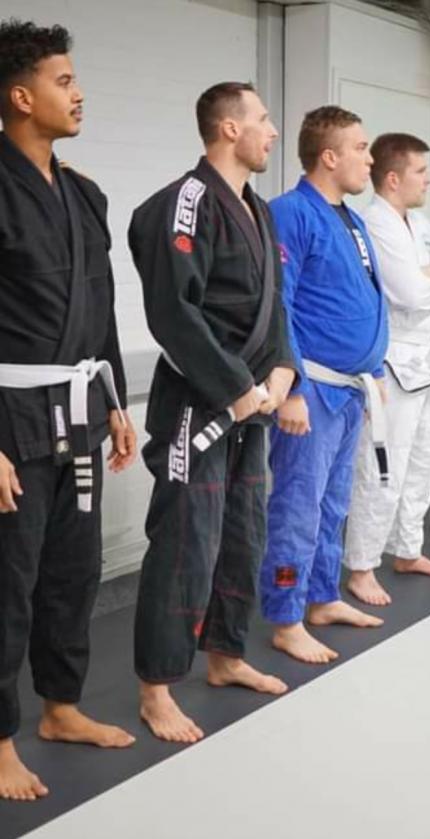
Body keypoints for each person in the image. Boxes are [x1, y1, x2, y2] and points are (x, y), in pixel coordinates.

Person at [129, 83, 297, 744]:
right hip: (198, 405)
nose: (272, 131)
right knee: (185, 542)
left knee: (242, 533)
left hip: (254, 403)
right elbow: (173, 311)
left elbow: (275, 303)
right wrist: (233, 386)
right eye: (263, 119)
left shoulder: (258, 208)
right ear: (229, 128)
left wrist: (282, 368)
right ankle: (157, 685)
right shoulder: (185, 202)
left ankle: (226, 654)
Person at [0, 20, 138, 801]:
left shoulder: (85, 193)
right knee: (6, 582)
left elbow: (99, 304)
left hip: (80, 410)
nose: (78, 93)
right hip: (11, 418)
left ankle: (60, 707)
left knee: (72, 571)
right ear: (21, 97)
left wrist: (114, 398)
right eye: (62, 81)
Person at [260, 106, 388, 663]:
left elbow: (357, 300)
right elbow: (279, 305)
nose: (370, 158)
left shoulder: (350, 219)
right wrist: (290, 388)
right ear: (329, 156)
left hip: (349, 389)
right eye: (361, 147)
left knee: (334, 502)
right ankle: (285, 616)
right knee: (298, 506)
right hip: (310, 388)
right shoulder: (290, 213)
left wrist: (373, 370)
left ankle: (321, 597)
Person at [343, 133, 430, 606]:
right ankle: (362, 566)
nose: (428, 179)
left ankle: (408, 550)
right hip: (395, 363)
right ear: (393, 178)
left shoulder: (420, 223)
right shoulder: (375, 223)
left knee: (424, 461)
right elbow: (410, 294)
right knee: (383, 468)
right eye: (420, 171)